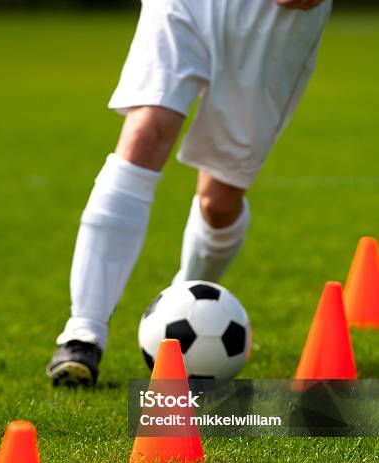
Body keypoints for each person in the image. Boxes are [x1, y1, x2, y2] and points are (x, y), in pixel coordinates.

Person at [47, 0, 332, 386]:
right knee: (144, 135)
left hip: (271, 17)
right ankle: (83, 334)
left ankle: (182, 303)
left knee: (218, 202)